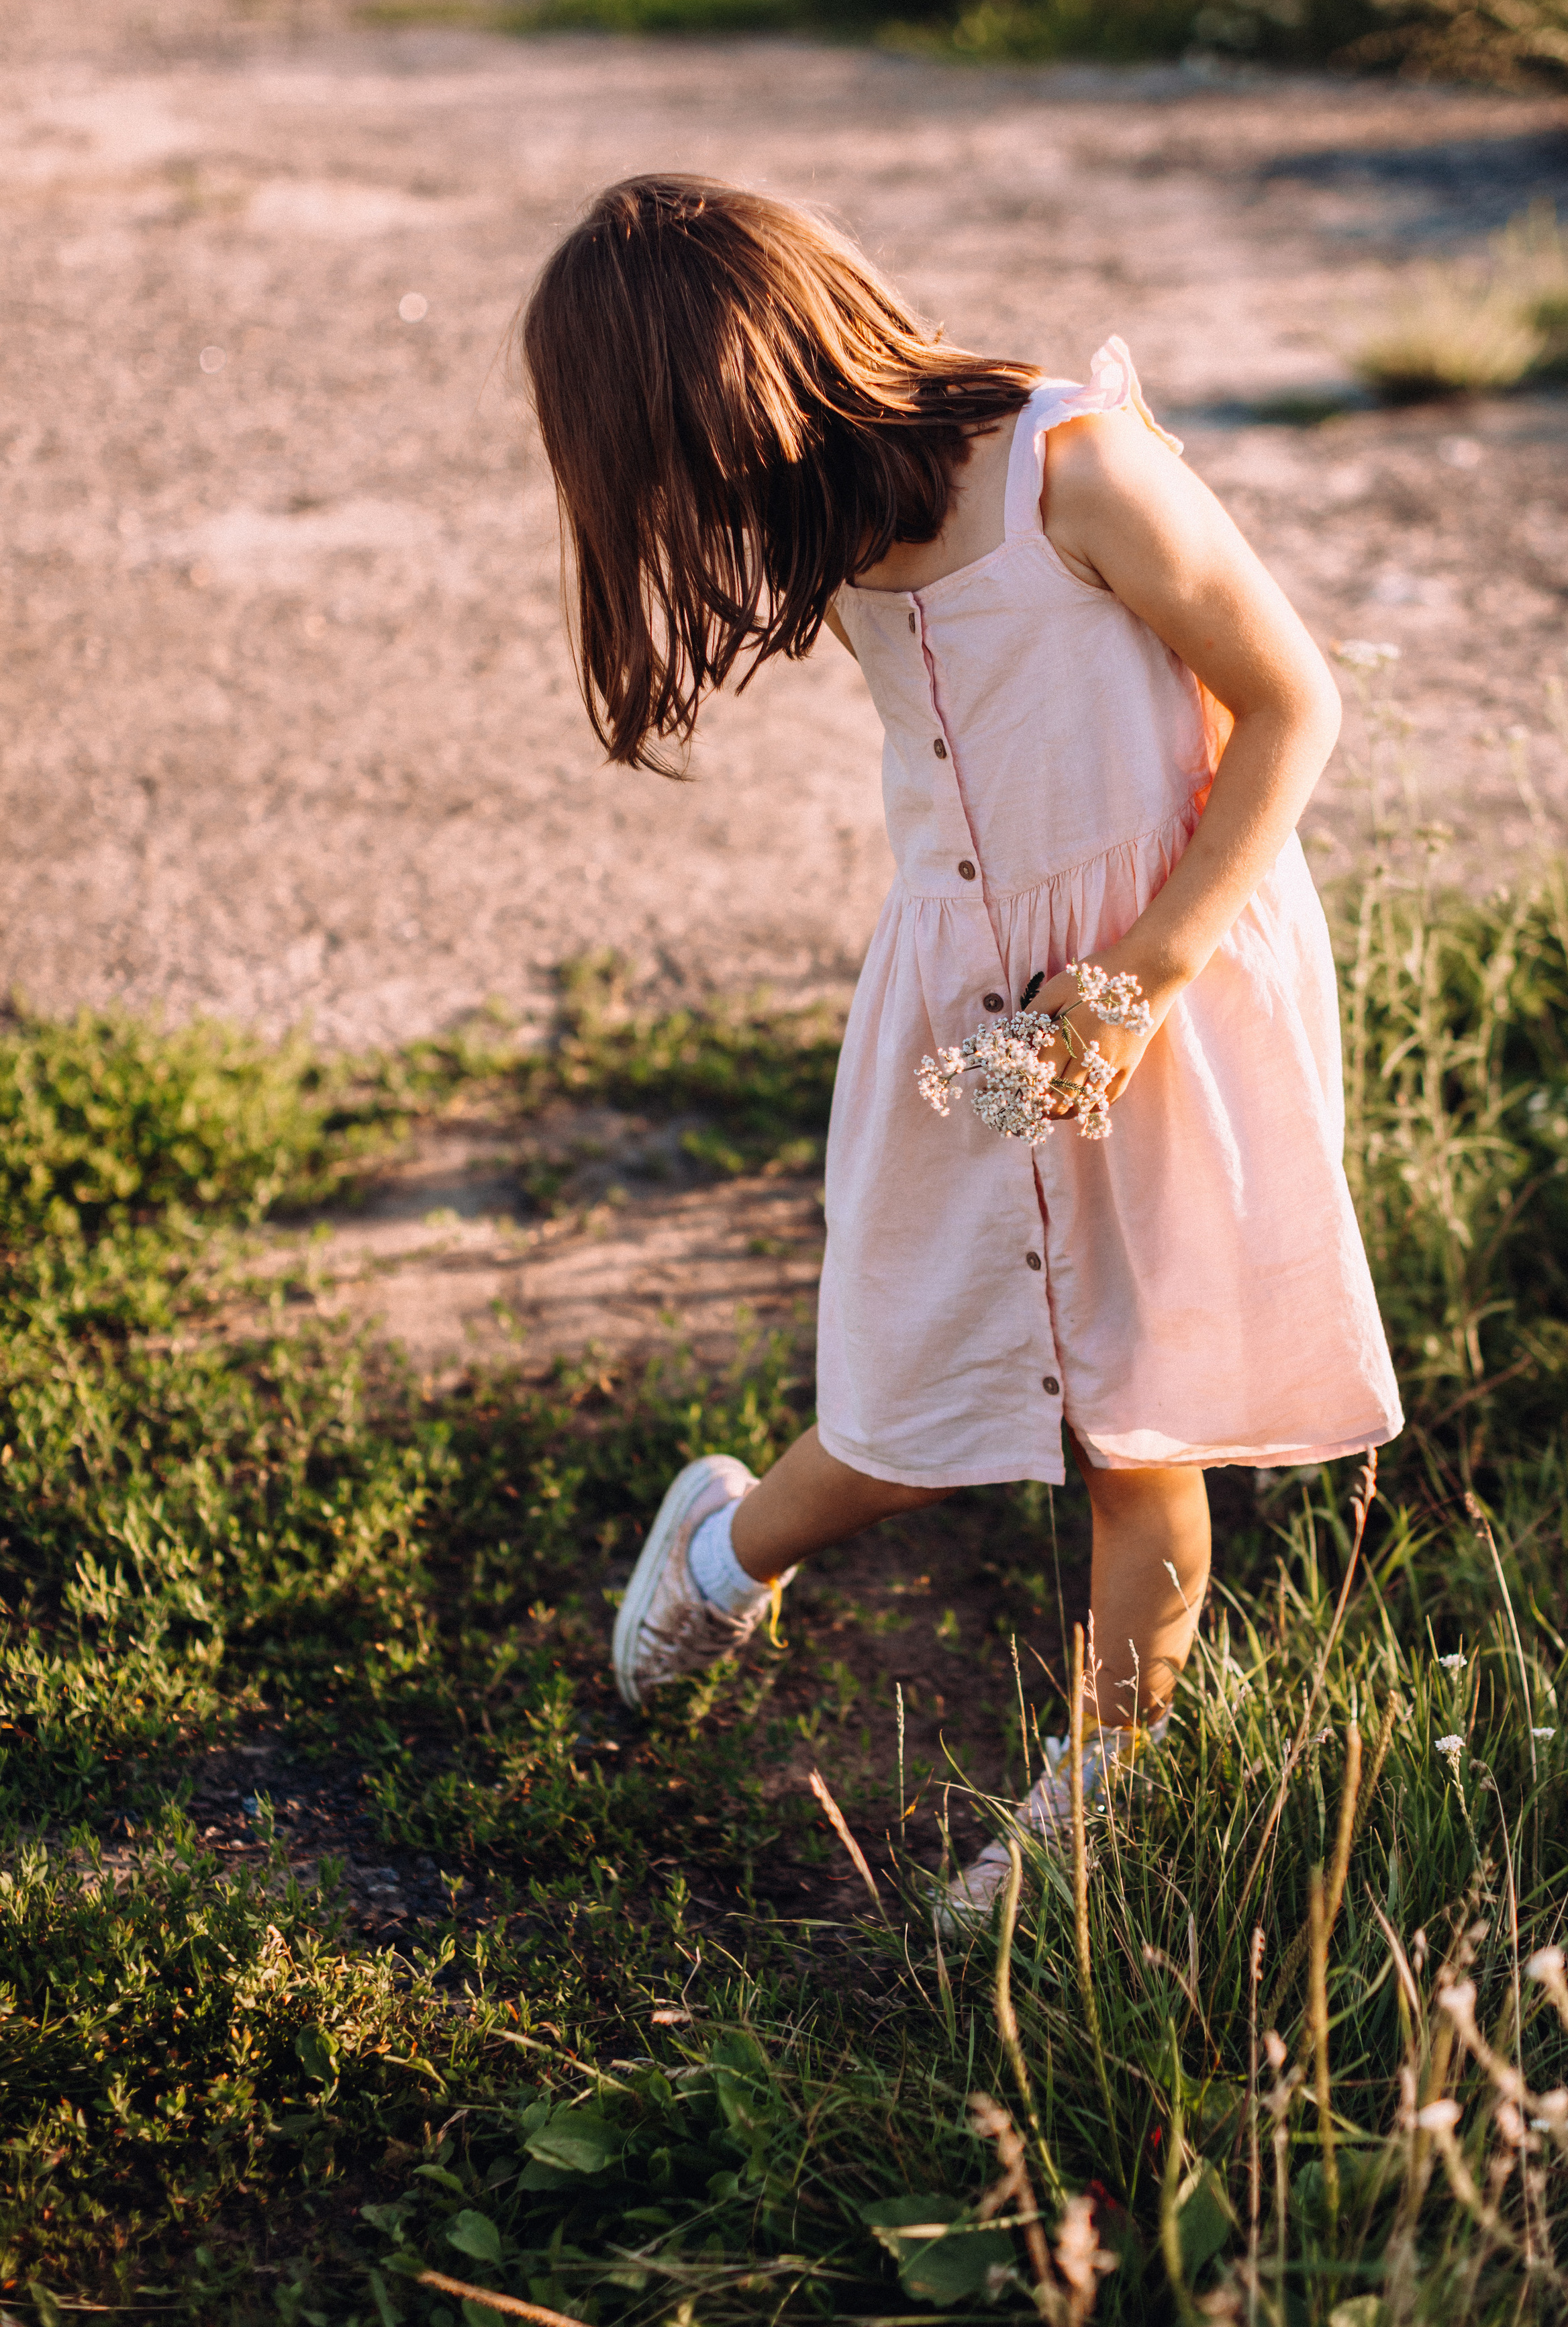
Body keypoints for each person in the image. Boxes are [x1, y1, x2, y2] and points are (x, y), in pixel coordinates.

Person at [520, 174, 1401, 1920]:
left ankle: (1096, 1800)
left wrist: (1143, 975)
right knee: (915, 1385)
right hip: (968, 1003)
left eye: (684, 452)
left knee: (1142, 1420)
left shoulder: (1072, 468)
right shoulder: (833, 515)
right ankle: (717, 1551)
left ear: (764, 369)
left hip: (1165, 985)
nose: (694, 499)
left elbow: (1295, 702)